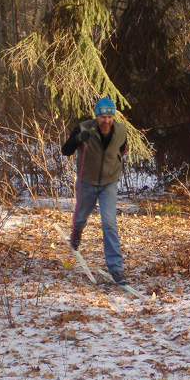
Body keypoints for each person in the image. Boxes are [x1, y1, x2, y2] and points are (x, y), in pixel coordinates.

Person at [61, 97, 128, 286]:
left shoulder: (121, 130)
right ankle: (76, 235)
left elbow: (122, 149)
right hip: (87, 182)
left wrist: (113, 164)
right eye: (102, 117)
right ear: (96, 116)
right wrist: (77, 140)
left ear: (113, 116)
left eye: (109, 116)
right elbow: (65, 150)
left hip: (109, 183)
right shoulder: (83, 128)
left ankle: (116, 268)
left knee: (109, 222)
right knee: (81, 217)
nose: (106, 121)